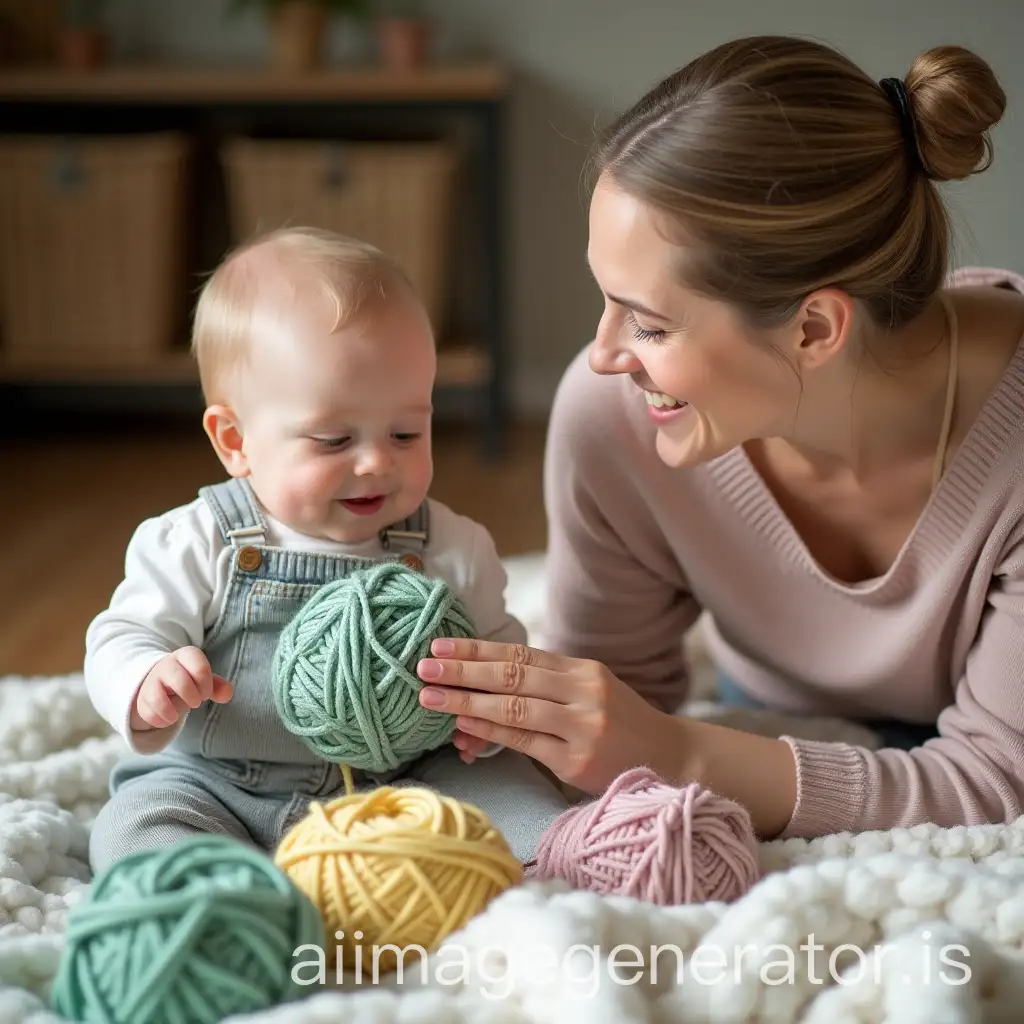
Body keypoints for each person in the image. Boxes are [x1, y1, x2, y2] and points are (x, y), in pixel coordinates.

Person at [417, 35, 1024, 842]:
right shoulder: (613, 419)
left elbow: (994, 785)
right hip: (765, 717)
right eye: (608, 302)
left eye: (651, 323)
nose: (603, 354)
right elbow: (608, 702)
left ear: (814, 327)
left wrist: (677, 753)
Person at [84, 226, 568, 872]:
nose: (375, 462)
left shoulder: (453, 548)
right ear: (234, 441)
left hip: (404, 785)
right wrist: (147, 680)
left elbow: (498, 654)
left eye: (405, 431)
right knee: (139, 822)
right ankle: (207, 893)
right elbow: (120, 635)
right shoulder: (197, 541)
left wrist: (484, 722)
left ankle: (559, 858)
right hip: (225, 786)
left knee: (515, 790)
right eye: (334, 440)